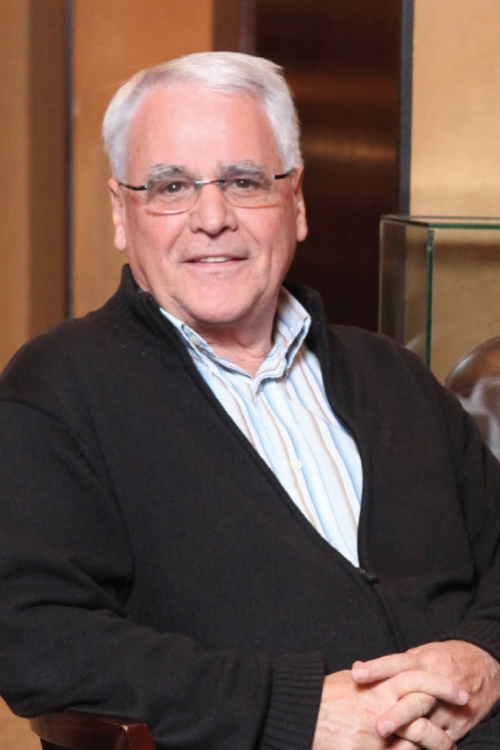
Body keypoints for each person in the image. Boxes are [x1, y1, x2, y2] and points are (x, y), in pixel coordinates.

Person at [0, 51, 500, 750]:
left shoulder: (394, 375)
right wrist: (293, 711)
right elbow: (35, 638)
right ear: (121, 212)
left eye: (243, 181)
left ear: (296, 202)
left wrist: (483, 657)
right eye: (171, 186)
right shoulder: (57, 390)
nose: (212, 218)